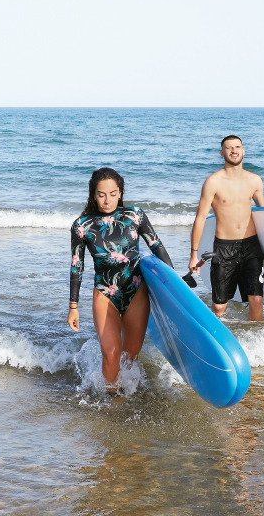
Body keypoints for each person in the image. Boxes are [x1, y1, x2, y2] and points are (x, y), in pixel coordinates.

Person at [68, 168, 173, 393]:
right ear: (93, 194)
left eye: (113, 193)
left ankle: (128, 394)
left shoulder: (135, 215)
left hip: (136, 293)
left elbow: (157, 249)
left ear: (121, 192)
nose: (107, 200)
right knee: (111, 354)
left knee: (130, 357)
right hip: (105, 294)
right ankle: (112, 399)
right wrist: (73, 307)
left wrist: (174, 287)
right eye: (101, 194)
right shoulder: (81, 225)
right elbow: (77, 264)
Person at [188, 135, 264, 321]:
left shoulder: (254, 180)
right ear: (222, 153)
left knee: (256, 299)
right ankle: (218, 339)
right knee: (219, 305)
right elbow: (200, 219)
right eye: (229, 148)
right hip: (224, 248)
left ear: (243, 151)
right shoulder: (213, 182)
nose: (234, 150)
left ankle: (254, 341)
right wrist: (193, 254)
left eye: (237, 147)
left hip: (251, 246)